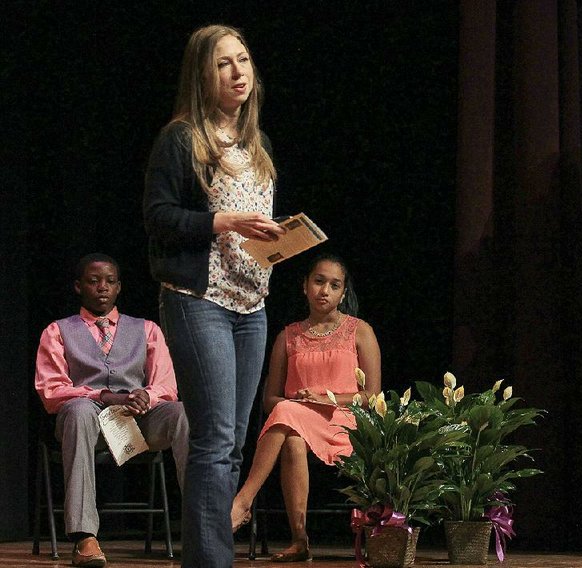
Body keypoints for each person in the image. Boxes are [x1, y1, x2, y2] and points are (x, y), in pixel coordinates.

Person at [142, 24, 286, 568]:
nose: (238, 72)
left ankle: (211, 556)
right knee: (213, 438)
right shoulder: (181, 138)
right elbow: (158, 217)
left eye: (243, 60)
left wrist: (278, 241)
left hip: (253, 304)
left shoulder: (258, 144)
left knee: (234, 445)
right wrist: (220, 221)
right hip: (199, 299)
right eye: (224, 63)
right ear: (203, 74)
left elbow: (256, 226)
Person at [34, 253, 188, 568]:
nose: (102, 287)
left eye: (110, 281)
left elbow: (167, 385)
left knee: (182, 412)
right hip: (86, 424)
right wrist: (104, 396)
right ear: (79, 287)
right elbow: (51, 391)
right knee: (78, 409)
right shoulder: (58, 331)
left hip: (138, 423)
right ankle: (84, 538)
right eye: (93, 281)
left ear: (119, 287)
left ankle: (203, 525)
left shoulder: (146, 329)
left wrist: (145, 395)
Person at [231, 254, 381, 562]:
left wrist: (328, 399)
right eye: (318, 281)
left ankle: (243, 500)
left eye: (334, 285)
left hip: (345, 423)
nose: (324, 290)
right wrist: (301, 404)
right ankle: (300, 540)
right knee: (292, 436)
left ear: (343, 292)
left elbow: (373, 395)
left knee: (288, 419)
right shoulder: (288, 336)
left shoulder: (360, 331)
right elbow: (270, 399)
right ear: (305, 286)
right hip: (298, 421)